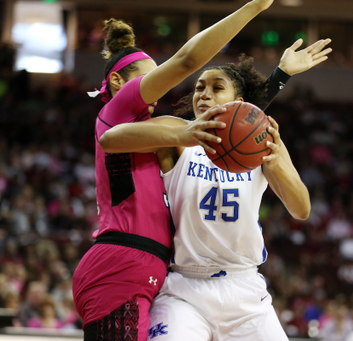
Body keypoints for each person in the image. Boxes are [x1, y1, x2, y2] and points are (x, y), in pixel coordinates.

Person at [99, 41, 331, 341]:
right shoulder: (178, 134)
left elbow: (302, 210)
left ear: (241, 100)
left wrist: (278, 165)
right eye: (198, 87)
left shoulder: (264, 141)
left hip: (244, 287)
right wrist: (183, 133)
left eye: (216, 87)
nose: (204, 93)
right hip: (184, 288)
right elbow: (110, 139)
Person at [72, 1, 277, 340]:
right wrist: (253, 7)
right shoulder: (118, 112)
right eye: (150, 76)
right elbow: (187, 61)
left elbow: (231, 129)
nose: (160, 84)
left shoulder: (152, 132)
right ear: (118, 81)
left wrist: (279, 78)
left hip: (145, 269)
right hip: (121, 264)